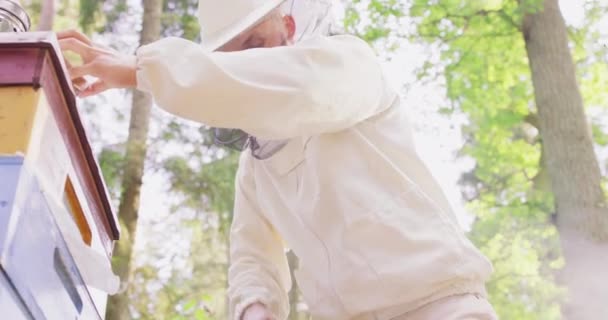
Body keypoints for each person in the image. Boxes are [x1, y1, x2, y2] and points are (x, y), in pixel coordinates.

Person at [58, 0, 497, 319]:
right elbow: (252, 256)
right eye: (234, 59)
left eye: (256, 43)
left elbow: (301, 90)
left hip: (442, 307)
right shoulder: (255, 169)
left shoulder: (349, 65)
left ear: (288, 25)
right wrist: (255, 308)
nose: (252, 64)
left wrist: (141, 68)